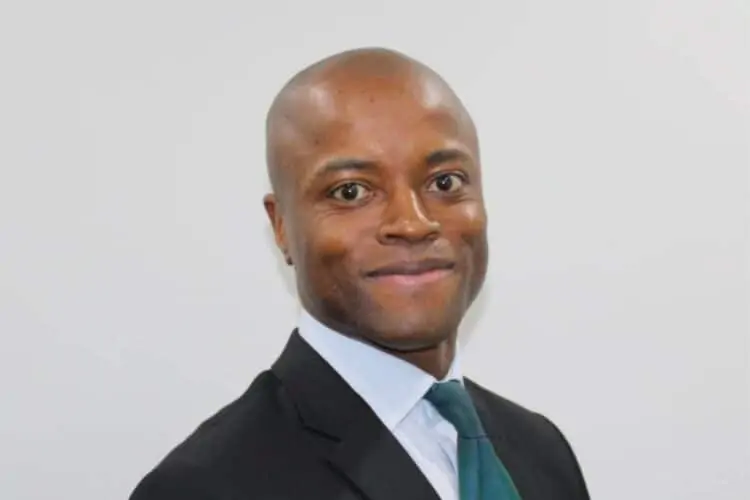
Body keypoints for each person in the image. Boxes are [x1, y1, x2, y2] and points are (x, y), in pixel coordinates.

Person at [129, 47, 590, 500]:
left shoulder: (541, 451)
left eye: (444, 182)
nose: (412, 223)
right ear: (281, 225)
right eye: (350, 192)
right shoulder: (204, 488)